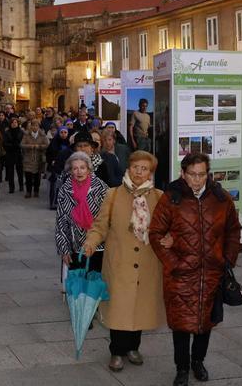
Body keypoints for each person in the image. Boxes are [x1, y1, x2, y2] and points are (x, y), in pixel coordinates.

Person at [149, 153, 242, 386]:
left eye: (202, 174)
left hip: (212, 272)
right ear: (183, 173)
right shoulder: (171, 198)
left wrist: (227, 259)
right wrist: (173, 262)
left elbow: (233, 229)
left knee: (205, 323)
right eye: (192, 175)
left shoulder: (221, 199)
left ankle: (198, 362)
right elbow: (155, 233)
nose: (198, 180)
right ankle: (181, 368)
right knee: (181, 324)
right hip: (181, 273)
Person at [83, 151, 168, 372]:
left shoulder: (159, 197)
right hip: (119, 261)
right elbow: (100, 226)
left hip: (147, 263)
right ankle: (117, 351)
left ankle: (133, 347)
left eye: (145, 168)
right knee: (119, 308)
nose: (139, 172)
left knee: (140, 307)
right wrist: (91, 242)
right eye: (136, 167)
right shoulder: (113, 194)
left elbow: (169, 227)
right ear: (128, 168)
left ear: (151, 172)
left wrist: (171, 238)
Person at [55, 151, 109, 273]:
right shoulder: (65, 190)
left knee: (96, 287)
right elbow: (61, 221)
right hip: (76, 248)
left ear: (89, 169)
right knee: (78, 288)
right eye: (75, 168)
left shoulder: (101, 188)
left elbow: (107, 218)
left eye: (82, 168)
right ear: (70, 171)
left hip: (99, 247)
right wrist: (64, 249)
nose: (79, 171)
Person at [20, 119, 49, 198]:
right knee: (28, 175)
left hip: (38, 158)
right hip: (28, 158)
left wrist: (39, 146)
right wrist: (30, 146)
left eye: (36, 126)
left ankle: (36, 191)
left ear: (38, 127)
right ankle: (28, 191)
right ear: (31, 126)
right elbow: (22, 144)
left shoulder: (42, 135)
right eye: (33, 125)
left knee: (37, 176)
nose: (35, 127)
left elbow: (46, 145)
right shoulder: (27, 134)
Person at [46, 127, 72, 209]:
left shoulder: (69, 143)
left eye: (65, 132)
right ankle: (53, 203)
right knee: (55, 186)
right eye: (62, 132)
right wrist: (51, 161)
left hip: (67, 167)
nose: (63, 134)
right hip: (56, 168)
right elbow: (48, 154)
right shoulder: (54, 142)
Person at [3, 117, 24, 194]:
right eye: (12, 123)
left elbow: (23, 142)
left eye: (15, 122)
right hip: (10, 153)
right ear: (10, 124)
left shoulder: (21, 132)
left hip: (18, 153)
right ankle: (11, 187)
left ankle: (21, 186)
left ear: (18, 123)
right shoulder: (7, 132)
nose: (14, 124)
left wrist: (18, 146)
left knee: (20, 171)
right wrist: (12, 146)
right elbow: (4, 143)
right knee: (10, 171)